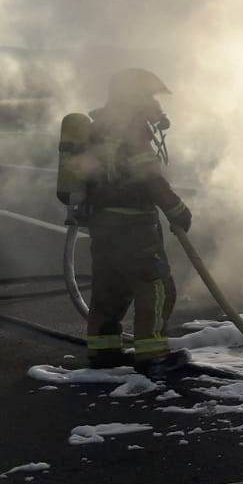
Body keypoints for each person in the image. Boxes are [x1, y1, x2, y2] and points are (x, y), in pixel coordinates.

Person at [82, 68, 192, 373]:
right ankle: (153, 355)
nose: (155, 104)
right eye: (149, 96)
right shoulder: (131, 128)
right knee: (156, 286)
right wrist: (177, 209)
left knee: (110, 288)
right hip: (133, 225)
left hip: (102, 223)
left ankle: (103, 352)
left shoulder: (97, 126)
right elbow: (148, 176)